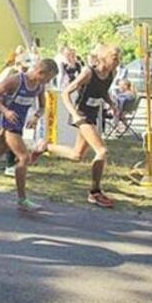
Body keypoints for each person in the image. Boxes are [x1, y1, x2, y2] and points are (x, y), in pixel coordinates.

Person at [0, 59, 59, 211]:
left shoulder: (39, 86)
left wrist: (36, 116)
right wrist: (5, 111)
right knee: (24, 157)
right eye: (47, 78)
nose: (47, 82)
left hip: (18, 123)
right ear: (40, 71)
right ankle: (22, 200)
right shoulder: (17, 80)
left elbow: (42, 107)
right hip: (8, 123)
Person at [42, 45, 121, 208]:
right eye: (114, 58)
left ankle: (45, 147)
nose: (117, 62)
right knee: (102, 151)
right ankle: (95, 192)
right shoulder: (88, 72)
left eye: (118, 59)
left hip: (92, 115)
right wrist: (75, 115)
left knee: (76, 155)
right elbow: (65, 93)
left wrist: (111, 103)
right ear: (104, 57)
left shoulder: (112, 73)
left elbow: (103, 91)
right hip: (82, 115)